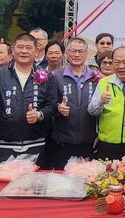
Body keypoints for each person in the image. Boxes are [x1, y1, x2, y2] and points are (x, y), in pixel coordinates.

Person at [0, 33, 57, 165]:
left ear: (36, 51)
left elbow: (52, 105)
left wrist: (39, 115)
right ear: (13, 50)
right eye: (20, 47)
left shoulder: (46, 76)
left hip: (36, 142)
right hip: (5, 143)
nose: (24, 51)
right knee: (6, 184)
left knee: (33, 184)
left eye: (28, 48)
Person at [47, 38, 99, 169]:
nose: (76, 55)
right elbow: (49, 104)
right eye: (72, 51)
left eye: (80, 51)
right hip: (63, 141)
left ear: (87, 54)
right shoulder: (55, 76)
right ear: (66, 54)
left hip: (89, 141)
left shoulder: (97, 78)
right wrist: (58, 107)